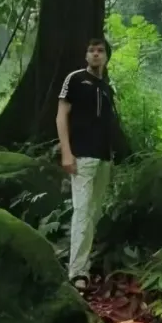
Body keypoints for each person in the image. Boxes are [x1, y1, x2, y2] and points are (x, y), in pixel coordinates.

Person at [56, 37, 130, 292]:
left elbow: (109, 126)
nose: (96, 54)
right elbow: (61, 114)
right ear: (86, 56)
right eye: (91, 50)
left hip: (104, 158)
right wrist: (66, 152)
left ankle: (83, 263)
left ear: (107, 56)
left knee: (94, 213)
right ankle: (77, 273)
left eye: (100, 51)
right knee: (82, 211)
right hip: (82, 156)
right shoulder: (75, 79)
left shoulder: (107, 88)